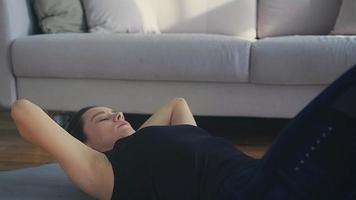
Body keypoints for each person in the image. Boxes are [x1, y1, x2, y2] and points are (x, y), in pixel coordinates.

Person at [11, 64, 356, 200]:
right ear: (85, 146)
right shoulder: (106, 172)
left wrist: (133, 136)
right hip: (252, 190)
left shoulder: (152, 141)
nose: (117, 113)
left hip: (263, 173)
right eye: (102, 118)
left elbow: (177, 102)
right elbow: (22, 109)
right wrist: (71, 148)